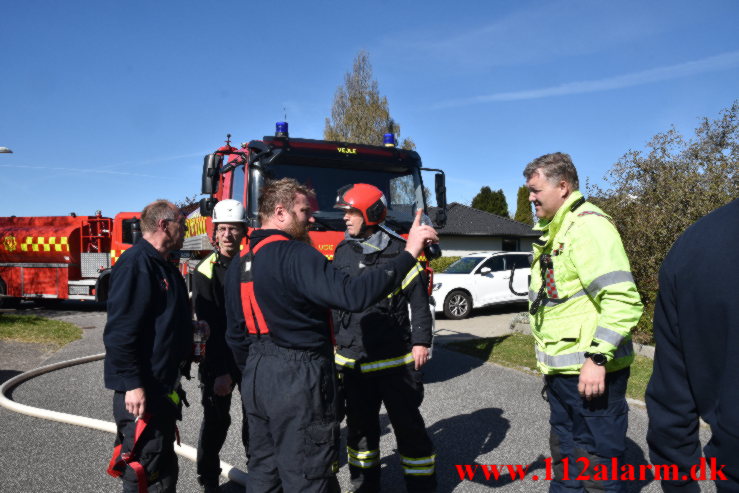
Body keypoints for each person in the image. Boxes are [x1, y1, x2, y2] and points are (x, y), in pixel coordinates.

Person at [224, 178, 438, 493]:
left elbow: (235, 335)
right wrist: (408, 253)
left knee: (265, 474)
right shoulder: (297, 255)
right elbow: (353, 296)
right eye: (304, 211)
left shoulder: (242, 262)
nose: (312, 218)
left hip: (258, 376)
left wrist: (259, 372)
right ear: (281, 212)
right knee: (308, 475)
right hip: (297, 377)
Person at [523, 153, 643, 492]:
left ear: (562, 186)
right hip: (564, 377)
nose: (530, 198)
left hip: (591, 376)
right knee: (565, 458)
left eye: (535, 190)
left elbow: (622, 299)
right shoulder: (557, 230)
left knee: (595, 469)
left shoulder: (588, 227)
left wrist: (597, 357)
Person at [332, 183, 436, 493]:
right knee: (360, 434)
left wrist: (421, 342)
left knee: (409, 430)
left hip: (394, 363)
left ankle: (421, 487)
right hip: (354, 363)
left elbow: (419, 303)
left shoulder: (400, 251)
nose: (345, 219)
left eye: (351, 212)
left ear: (370, 213)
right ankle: (364, 486)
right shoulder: (342, 251)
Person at [646, 198, 739, 491]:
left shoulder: (693, 246)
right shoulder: (694, 248)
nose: (531, 198)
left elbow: (671, 401)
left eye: (535, 190)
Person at [103, 200, 195, 493]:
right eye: (181, 223)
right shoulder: (136, 265)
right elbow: (120, 332)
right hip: (143, 391)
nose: (185, 230)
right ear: (163, 225)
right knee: (144, 468)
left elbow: (162, 319)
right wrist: (132, 383)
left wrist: (192, 329)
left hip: (162, 388)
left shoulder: (163, 266)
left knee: (163, 467)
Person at [192, 199, 249, 492]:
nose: (227, 235)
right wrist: (222, 372)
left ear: (243, 231)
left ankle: (260, 475)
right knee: (216, 422)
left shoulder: (252, 264)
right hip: (219, 360)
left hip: (250, 359)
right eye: (222, 229)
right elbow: (208, 327)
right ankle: (209, 479)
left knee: (256, 421)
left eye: (233, 229)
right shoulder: (205, 270)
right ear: (215, 233)